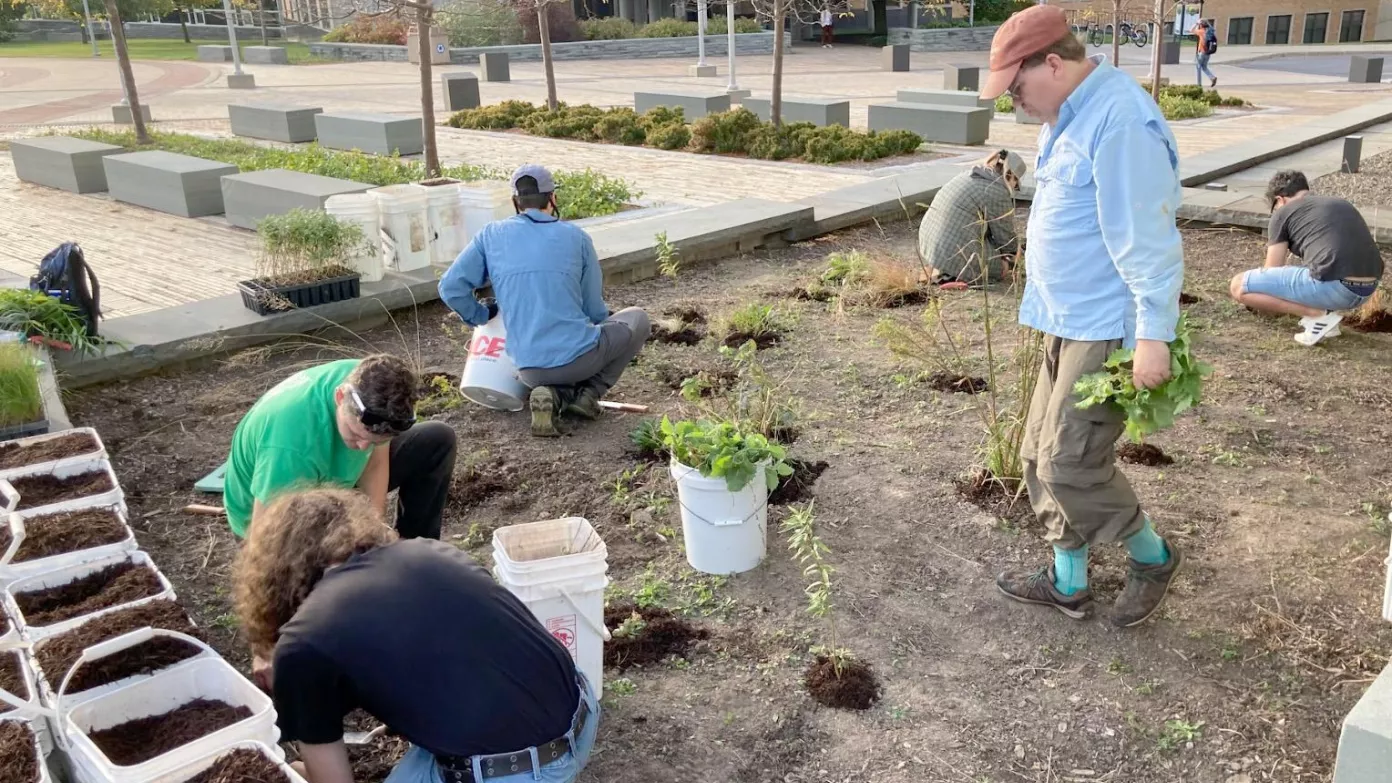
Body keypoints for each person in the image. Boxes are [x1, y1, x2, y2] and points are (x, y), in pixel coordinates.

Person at [980, 6, 1184, 627]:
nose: (1015, 101)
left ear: (1054, 62)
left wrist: (1153, 335)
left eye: (1018, 87)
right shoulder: (1066, 114)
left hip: (1105, 325)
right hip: (1065, 317)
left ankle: (1153, 558)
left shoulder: (1120, 121)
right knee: (1037, 456)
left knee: (1070, 461)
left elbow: (1147, 236)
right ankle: (1068, 580)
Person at [236, 489, 598, 783]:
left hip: (516, 772)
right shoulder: (429, 550)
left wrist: (287, 768)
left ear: (277, 575)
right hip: (581, 718)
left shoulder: (303, 641)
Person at [439, 164, 650, 438]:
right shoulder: (577, 238)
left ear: (516, 201)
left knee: (555, 364)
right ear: (553, 199)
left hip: (525, 369)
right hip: (580, 360)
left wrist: (481, 315)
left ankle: (553, 395)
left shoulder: (490, 236)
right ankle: (588, 394)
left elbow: (450, 287)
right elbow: (594, 310)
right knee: (637, 318)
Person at [223, 354, 457, 541]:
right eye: (355, 434)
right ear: (339, 398)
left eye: (375, 441)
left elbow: (374, 465)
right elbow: (265, 536)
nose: (363, 447)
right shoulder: (291, 443)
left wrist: (374, 531)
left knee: (436, 439)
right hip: (275, 519)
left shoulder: (371, 385)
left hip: (333, 483)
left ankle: (416, 552)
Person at [1229, 170, 1384, 346]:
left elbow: (1272, 269)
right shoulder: (1341, 204)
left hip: (1336, 287)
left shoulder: (1283, 212)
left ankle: (1317, 316)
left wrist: (1265, 304)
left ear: (1280, 200)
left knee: (1239, 285)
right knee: (1310, 270)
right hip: (1367, 289)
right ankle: (1328, 321)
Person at [917, 149, 1025, 287]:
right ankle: (952, 276)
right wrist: (1019, 255)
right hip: (953, 251)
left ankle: (944, 270)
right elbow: (1006, 240)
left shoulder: (970, 175)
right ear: (1011, 176)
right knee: (1002, 267)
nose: (1015, 187)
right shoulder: (997, 191)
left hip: (929, 245)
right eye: (1016, 184)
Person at [1194, 20, 1217, 88]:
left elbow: (1192, 30)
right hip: (1208, 53)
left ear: (1201, 25)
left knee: (1198, 67)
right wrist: (1206, 22)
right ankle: (1212, 77)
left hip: (1201, 52)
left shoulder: (1201, 32)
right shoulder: (1211, 33)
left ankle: (1199, 84)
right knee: (1204, 67)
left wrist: (1196, 23)